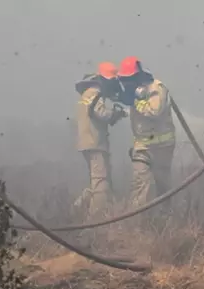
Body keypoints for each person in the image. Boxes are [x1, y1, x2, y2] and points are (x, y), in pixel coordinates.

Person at [117, 56, 176, 209]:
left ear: (138, 76)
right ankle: (135, 224)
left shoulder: (156, 88)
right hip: (142, 147)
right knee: (141, 184)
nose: (126, 83)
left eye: (129, 79)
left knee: (163, 187)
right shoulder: (134, 93)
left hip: (162, 147)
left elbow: (154, 111)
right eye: (124, 80)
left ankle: (166, 221)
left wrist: (135, 101)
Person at [73, 62, 127, 218]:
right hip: (95, 143)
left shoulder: (87, 93)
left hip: (87, 142)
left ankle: (76, 209)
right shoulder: (96, 93)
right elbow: (100, 112)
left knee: (98, 182)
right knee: (101, 184)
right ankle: (95, 221)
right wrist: (116, 114)